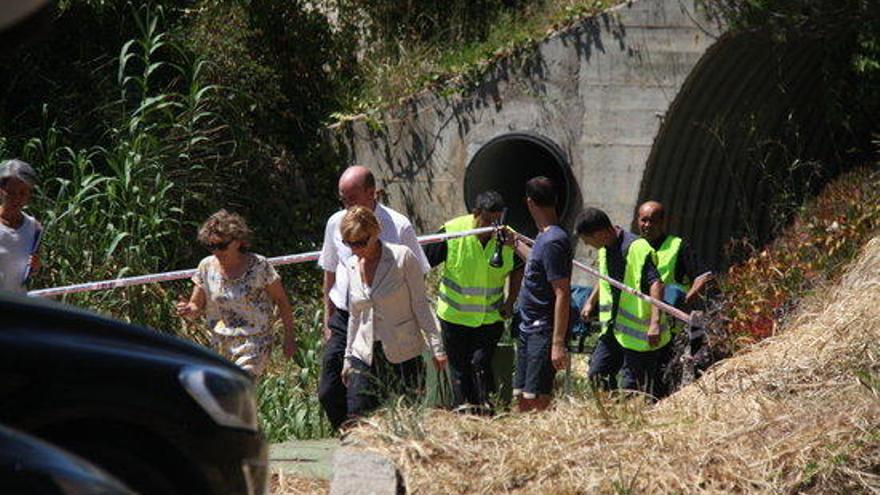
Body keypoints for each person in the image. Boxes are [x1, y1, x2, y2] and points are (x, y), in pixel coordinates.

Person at [317, 165, 430, 429]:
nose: (346, 205)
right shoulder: (335, 222)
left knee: (388, 391)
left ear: (372, 193)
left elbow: (417, 278)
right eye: (342, 199)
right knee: (329, 390)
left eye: (351, 198)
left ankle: (371, 438)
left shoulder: (399, 225)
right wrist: (328, 318)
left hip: (389, 320)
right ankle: (350, 436)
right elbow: (330, 271)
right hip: (347, 317)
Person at [339, 206, 446, 420]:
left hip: (403, 350)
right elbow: (355, 315)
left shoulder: (402, 257)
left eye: (360, 242)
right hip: (364, 352)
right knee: (356, 417)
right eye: (349, 243)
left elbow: (420, 305)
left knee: (406, 418)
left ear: (375, 232)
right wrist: (348, 358)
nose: (355, 249)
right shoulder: (350, 265)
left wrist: (437, 348)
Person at [423, 190, 523, 412]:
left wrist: (510, 300)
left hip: (490, 318)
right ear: (476, 212)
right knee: (459, 369)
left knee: (480, 363)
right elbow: (422, 260)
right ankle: (463, 412)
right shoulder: (453, 231)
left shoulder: (507, 237)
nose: (492, 225)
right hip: (454, 316)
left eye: (497, 219)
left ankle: (485, 410)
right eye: (488, 219)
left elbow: (520, 266)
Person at [177, 209, 297, 379]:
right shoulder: (206, 266)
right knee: (225, 398)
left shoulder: (259, 266)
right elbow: (196, 305)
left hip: (254, 342)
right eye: (211, 246)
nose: (216, 251)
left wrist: (289, 338)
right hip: (219, 343)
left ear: (238, 241)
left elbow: (281, 301)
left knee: (239, 385)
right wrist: (188, 309)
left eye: (222, 246)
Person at [576, 207, 668, 396]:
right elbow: (605, 278)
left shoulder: (636, 247)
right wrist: (590, 302)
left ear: (600, 234)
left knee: (631, 388)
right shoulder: (604, 249)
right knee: (597, 374)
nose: (588, 245)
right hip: (614, 328)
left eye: (588, 240)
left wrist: (655, 323)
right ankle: (611, 413)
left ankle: (630, 417)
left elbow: (656, 283)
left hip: (640, 335)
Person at [510, 177, 572, 412]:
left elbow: (562, 292)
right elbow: (537, 262)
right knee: (522, 395)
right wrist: (515, 243)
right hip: (528, 328)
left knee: (537, 398)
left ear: (529, 203)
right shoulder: (543, 238)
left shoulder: (553, 241)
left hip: (542, 330)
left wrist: (557, 343)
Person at [636, 201, 713, 309]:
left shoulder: (678, 247)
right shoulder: (633, 246)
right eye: (644, 220)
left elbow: (704, 276)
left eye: (653, 221)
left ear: (662, 222)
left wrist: (685, 302)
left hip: (667, 322)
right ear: (637, 220)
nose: (647, 225)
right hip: (637, 320)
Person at [0, 159, 41, 293]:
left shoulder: (34, 228)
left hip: (16, 306)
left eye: (23, 193)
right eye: (11, 193)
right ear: (1, 191)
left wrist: (35, 267)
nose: (17, 199)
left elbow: (31, 272)